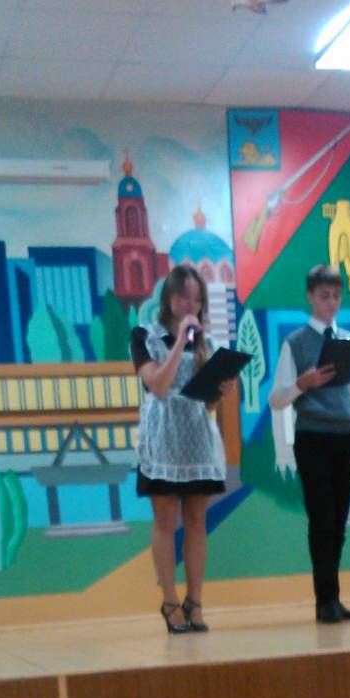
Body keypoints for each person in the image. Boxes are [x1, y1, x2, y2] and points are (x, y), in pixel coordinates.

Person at [269, 264, 350, 624]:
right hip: (313, 437)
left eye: (336, 295)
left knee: (339, 522)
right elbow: (276, 399)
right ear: (310, 297)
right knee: (322, 519)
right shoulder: (295, 343)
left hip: (346, 436)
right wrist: (302, 384)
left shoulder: (348, 342)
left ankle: (334, 598)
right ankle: (325, 600)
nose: (331, 302)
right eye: (323, 296)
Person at [131, 264, 236, 633]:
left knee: (195, 522)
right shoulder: (145, 336)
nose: (191, 304)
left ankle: (195, 601)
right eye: (184, 297)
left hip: (196, 438)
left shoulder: (206, 344)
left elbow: (206, 402)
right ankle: (170, 601)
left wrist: (219, 391)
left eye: (197, 299)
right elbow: (158, 385)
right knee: (164, 521)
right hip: (162, 439)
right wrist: (180, 342)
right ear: (169, 298)